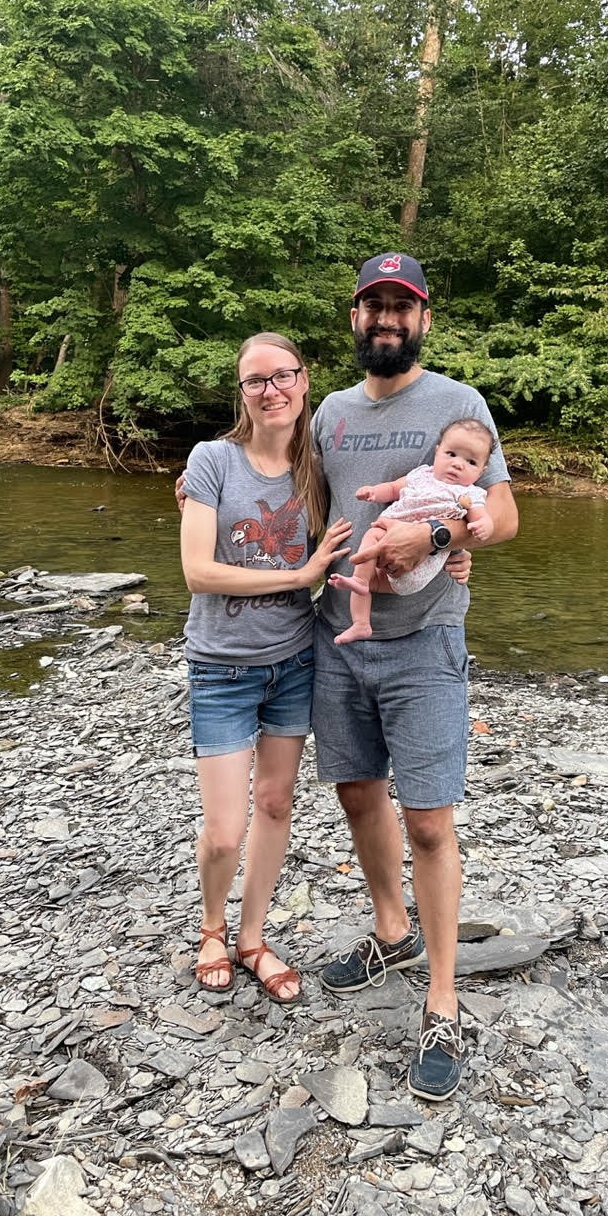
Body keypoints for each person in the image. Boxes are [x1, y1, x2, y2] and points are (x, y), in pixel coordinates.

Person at [312, 252, 518, 1101]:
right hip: (337, 637)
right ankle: (389, 932)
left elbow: (501, 517)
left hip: (426, 642)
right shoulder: (327, 411)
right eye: (374, 305)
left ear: (424, 318)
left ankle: (442, 1000)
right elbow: (282, 486)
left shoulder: (461, 406)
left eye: (403, 305)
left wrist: (438, 543)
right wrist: (201, 484)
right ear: (355, 318)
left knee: (430, 821)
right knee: (358, 794)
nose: (387, 318)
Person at [180, 332, 352, 1005]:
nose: (271, 390)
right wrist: (301, 572)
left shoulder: (321, 468)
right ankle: (211, 926)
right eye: (256, 381)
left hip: (295, 660)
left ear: (305, 382)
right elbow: (197, 572)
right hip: (221, 666)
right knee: (225, 830)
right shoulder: (212, 460)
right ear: (242, 392)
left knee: (276, 803)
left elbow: (397, 504)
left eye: (283, 376)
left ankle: (251, 937)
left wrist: (457, 545)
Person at [328, 418, 494, 644]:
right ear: (437, 451)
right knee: (369, 576)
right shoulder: (421, 475)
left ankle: (360, 580)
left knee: (372, 538)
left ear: (482, 471)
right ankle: (361, 623)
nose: (458, 464)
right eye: (451, 454)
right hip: (390, 554)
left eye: (471, 461)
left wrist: (482, 525)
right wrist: (374, 492)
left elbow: (482, 518)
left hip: (422, 563)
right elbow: (395, 488)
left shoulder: (469, 494)